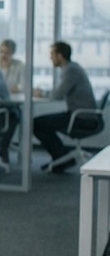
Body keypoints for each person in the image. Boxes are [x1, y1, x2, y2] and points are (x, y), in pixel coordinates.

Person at [32, 41, 97, 172]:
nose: (50, 57)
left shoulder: (71, 70)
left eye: (52, 54)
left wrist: (41, 92)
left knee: (35, 124)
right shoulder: (72, 68)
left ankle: (61, 158)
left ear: (60, 56)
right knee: (38, 123)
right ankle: (61, 158)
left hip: (81, 118)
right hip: (81, 114)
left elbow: (58, 94)